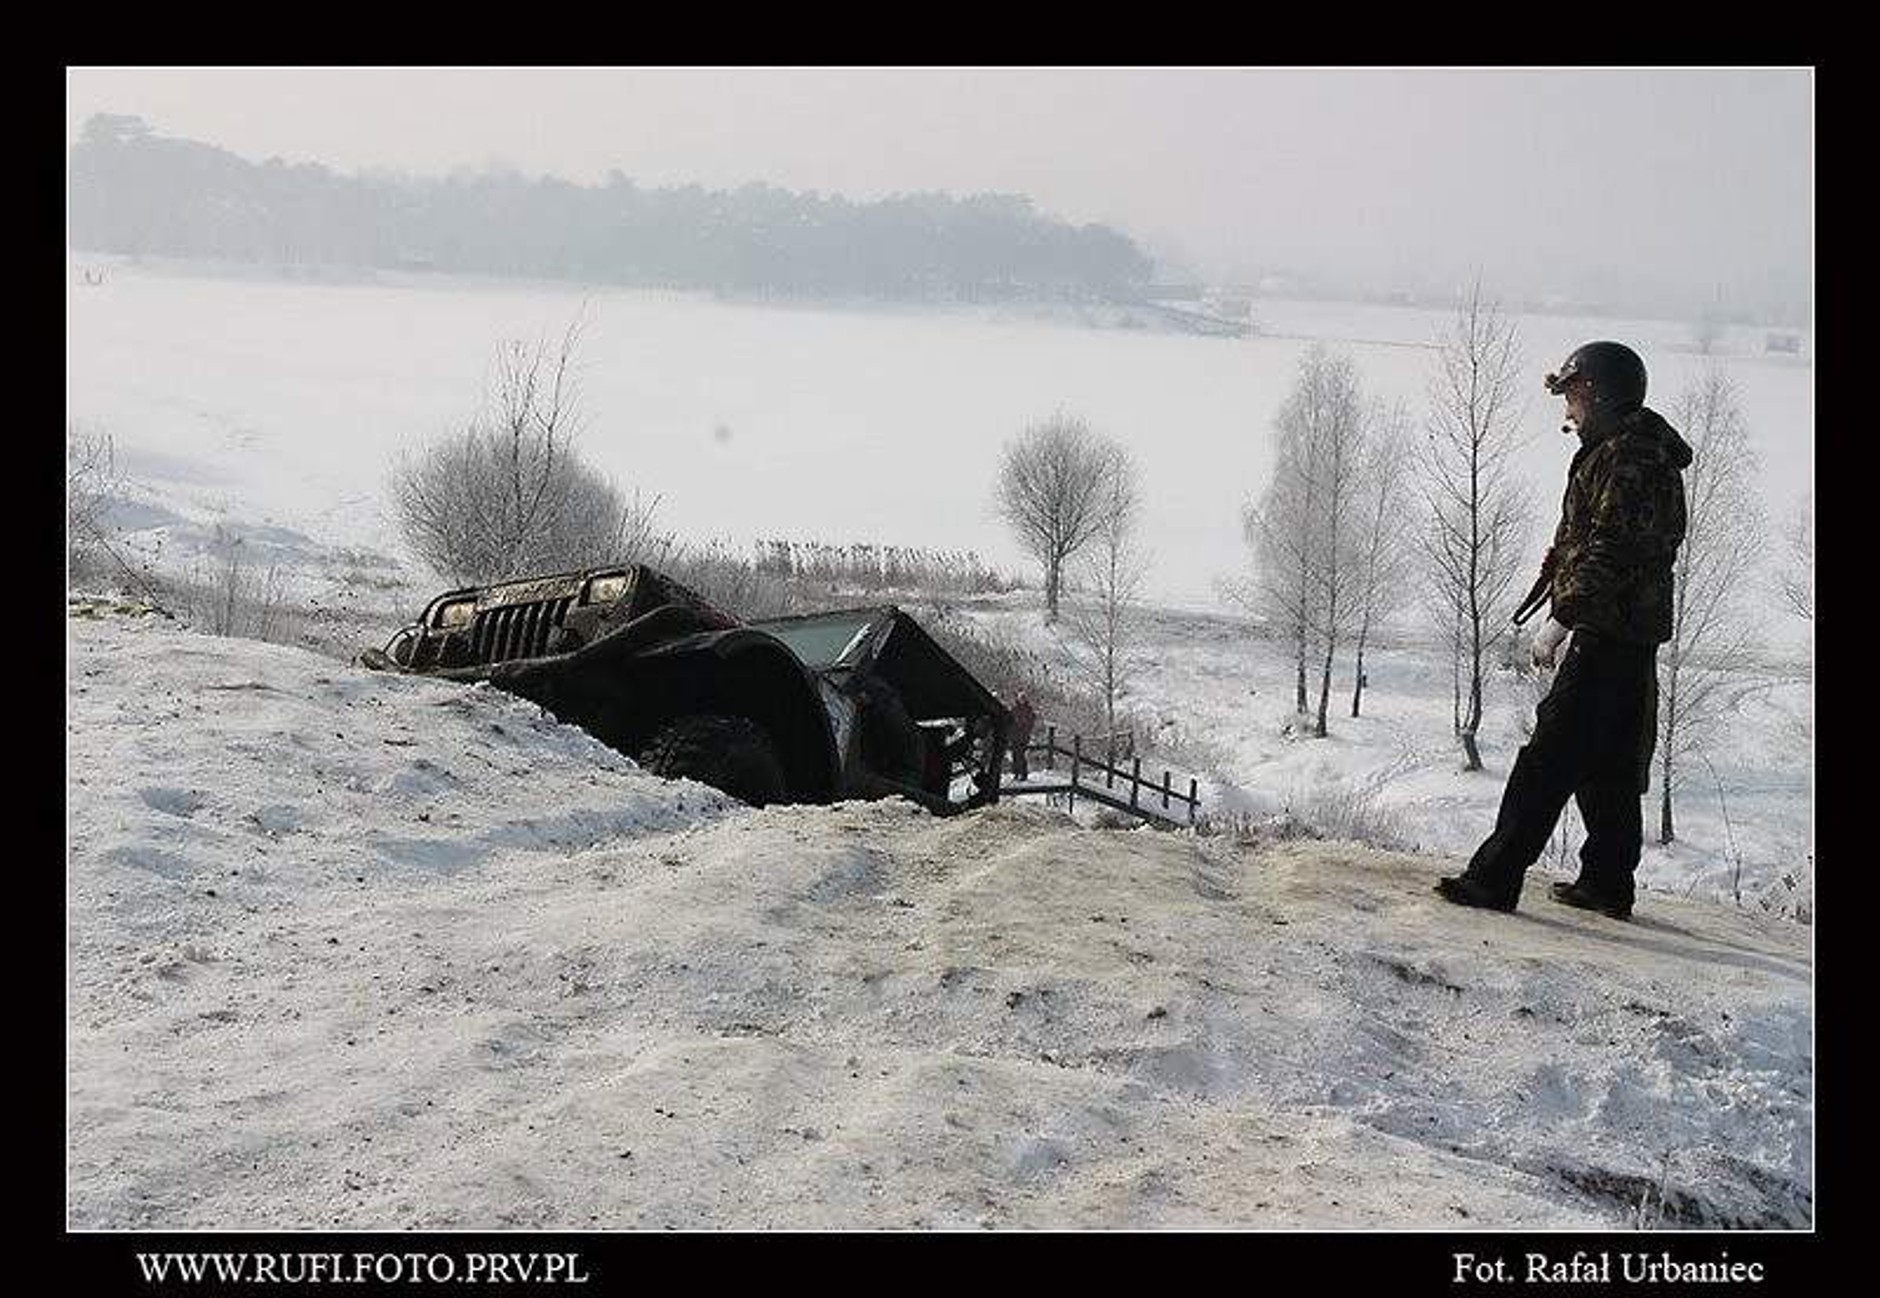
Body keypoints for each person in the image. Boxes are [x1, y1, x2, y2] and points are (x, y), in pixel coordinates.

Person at [1436, 341, 1692, 921]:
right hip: (1628, 628)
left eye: (1575, 394)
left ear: (1599, 393)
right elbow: (1592, 542)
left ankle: (1493, 879)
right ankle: (1606, 884)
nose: (1569, 409)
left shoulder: (1628, 456)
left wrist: (1561, 619)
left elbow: (1611, 548)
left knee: (1549, 756)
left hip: (1607, 625)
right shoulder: (1630, 450)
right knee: (1609, 765)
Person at [1007, 691, 1037, 781]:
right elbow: (1009, 721)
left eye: (1023, 698)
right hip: (1014, 736)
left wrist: (1025, 728)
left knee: (1021, 755)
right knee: (1015, 755)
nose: (1022, 700)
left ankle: (1023, 774)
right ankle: (1016, 773)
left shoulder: (1029, 709)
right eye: (1020, 698)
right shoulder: (1014, 709)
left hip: (1023, 736)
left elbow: (1031, 721)